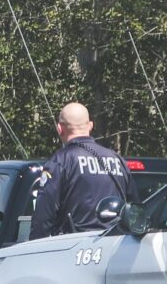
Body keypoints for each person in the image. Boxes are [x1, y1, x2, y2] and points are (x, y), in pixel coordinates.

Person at [30, 101, 133, 240]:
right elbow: (134, 208)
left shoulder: (61, 160)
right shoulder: (117, 160)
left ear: (60, 128)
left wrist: (35, 248)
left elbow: (44, 215)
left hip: (73, 248)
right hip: (115, 246)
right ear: (90, 126)